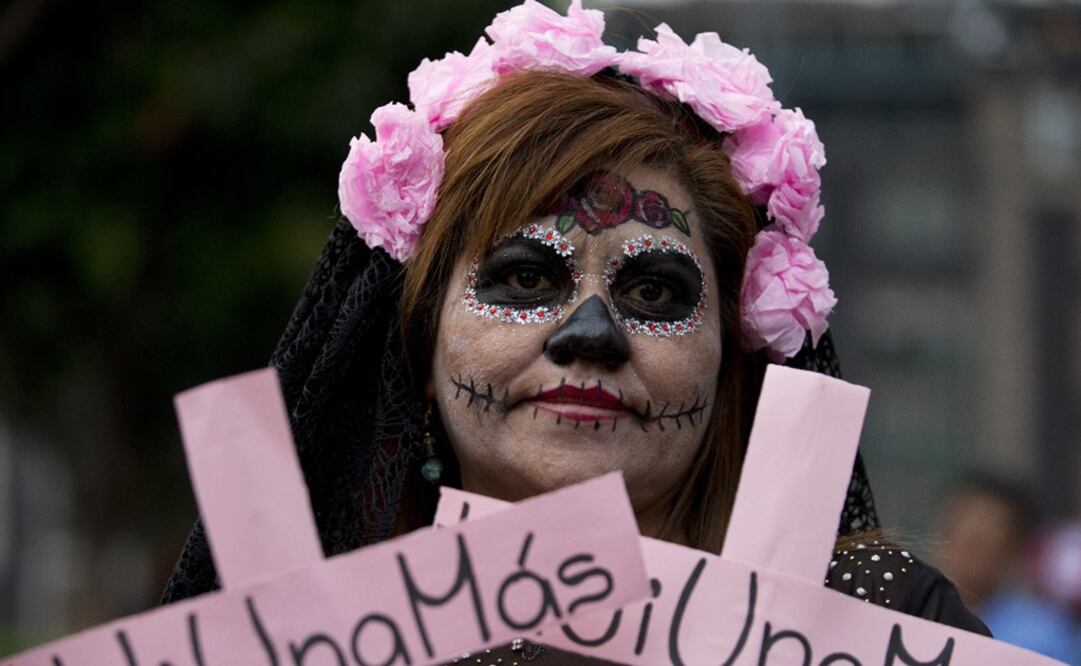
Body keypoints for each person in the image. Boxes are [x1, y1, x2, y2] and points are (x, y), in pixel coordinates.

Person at [161, 1, 988, 662]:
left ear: (732, 354)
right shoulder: (292, 645)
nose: (591, 332)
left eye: (655, 288)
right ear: (416, 346)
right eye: (525, 277)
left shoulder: (877, 625)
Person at [936, 474, 1081, 663]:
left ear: (1013, 552)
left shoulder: (1046, 636)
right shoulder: (905, 612)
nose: (964, 555)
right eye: (956, 535)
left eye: (980, 544)